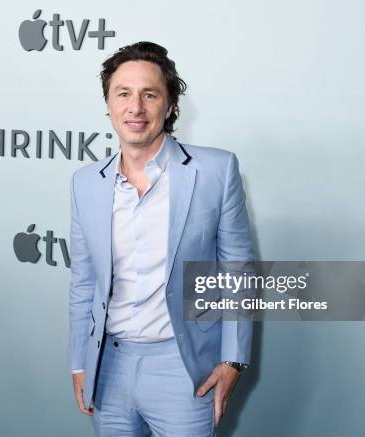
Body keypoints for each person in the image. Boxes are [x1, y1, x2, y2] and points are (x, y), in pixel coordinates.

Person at [68, 41, 254, 436]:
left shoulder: (215, 171)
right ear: (108, 103)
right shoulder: (85, 183)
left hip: (183, 367)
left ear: (169, 107)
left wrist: (233, 361)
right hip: (109, 367)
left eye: (149, 94)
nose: (135, 107)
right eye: (123, 94)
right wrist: (79, 362)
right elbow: (84, 281)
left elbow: (238, 271)